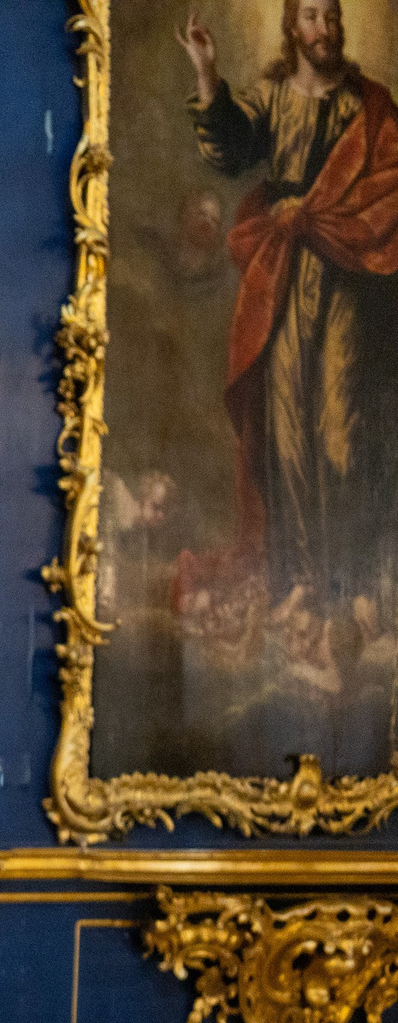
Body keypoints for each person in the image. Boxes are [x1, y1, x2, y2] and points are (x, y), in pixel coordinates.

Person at [178, 1, 398, 639]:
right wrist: (205, 71)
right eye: (310, 17)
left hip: (348, 275)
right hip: (282, 274)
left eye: (330, 15)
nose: (323, 29)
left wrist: (331, 214)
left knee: (338, 428)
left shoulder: (369, 107)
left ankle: (351, 584)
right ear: (291, 29)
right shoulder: (270, 97)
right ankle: (301, 580)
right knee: (286, 427)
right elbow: (228, 149)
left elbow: (388, 186)